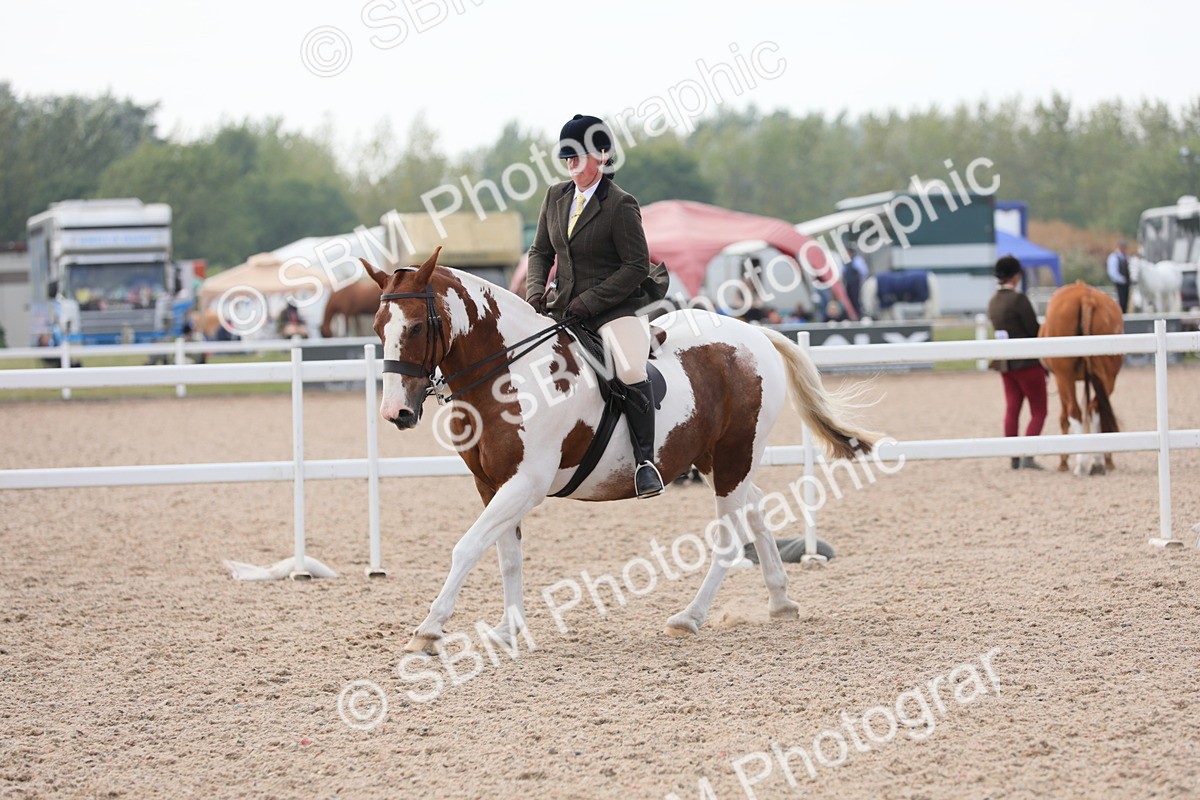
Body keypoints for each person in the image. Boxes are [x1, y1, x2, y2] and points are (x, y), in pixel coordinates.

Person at [526, 114, 670, 498]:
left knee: (628, 367)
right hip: (561, 308)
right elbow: (540, 251)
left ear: (602, 156)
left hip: (612, 309)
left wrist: (589, 302)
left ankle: (644, 463)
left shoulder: (620, 204)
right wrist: (535, 293)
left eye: (577, 155)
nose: (570, 163)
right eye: (566, 156)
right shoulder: (555, 196)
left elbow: (636, 266)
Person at [987, 255, 1047, 470]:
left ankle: (1013, 456)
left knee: (1012, 409)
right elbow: (1034, 331)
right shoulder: (1018, 300)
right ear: (1016, 276)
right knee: (1039, 410)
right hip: (1027, 364)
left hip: (1005, 364)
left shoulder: (993, 301)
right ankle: (1028, 456)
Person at [1106, 238, 1131, 314]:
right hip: (1119, 283)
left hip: (1126, 283)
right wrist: (1122, 279)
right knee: (1121, 301)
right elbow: (1112, 272)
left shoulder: (1126, 257)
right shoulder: (1114, 257)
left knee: (1125, 303)